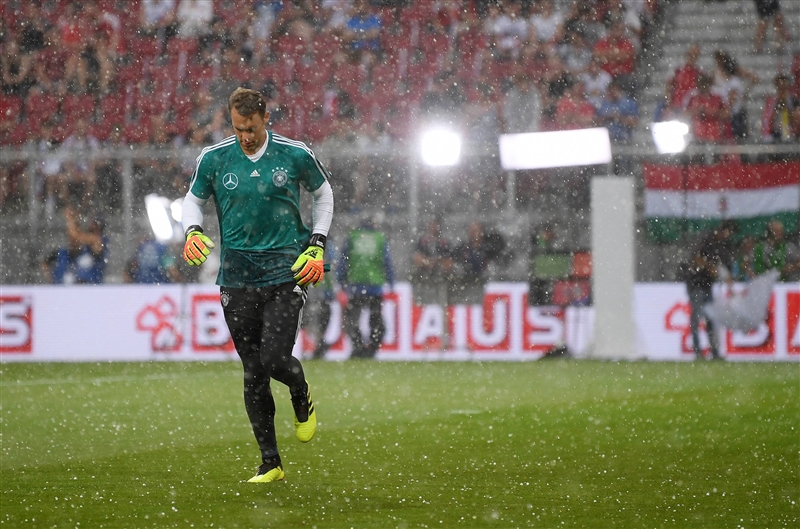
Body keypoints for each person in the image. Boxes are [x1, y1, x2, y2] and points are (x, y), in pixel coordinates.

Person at [180, 87, 334, 484]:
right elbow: (192, 201)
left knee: (275, 361)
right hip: (236, 277)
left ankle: (300, 391)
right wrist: (191, 230)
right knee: (253, 372)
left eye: (250, 128)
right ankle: (271, 463)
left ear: (266, 118)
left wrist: (316, 244)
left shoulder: (293, 153)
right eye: (237, 129)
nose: (244, 136)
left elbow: (323, 194)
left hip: (286, 272)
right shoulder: (214, 158)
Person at [337, 214, 395, 360]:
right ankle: (372, 349)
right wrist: (391, 282)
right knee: (376, 320)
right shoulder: (380, 238)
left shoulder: (353, 237)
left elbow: (343, 260)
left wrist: (341, 280)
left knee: (352, 319)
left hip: (356, 285)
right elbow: (387, 262)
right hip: (375, 285)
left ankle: (358, 347)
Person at [683, 221, 738, 360]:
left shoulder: (719, 245)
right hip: (696, 283)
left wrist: (727, 280)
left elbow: (722, 266)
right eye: (729, 233)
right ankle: (697, 351)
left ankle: (714, 351)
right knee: (697, 318)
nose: (729, 236)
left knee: (710, 319)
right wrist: (710, 268)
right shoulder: (707, 239)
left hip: (707, 284)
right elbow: (696, 258)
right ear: (724, 230)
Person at [42, 206, 108, 284]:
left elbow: (75, 236)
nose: (89, 225)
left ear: (97, 226)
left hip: (92, 287)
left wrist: (69, 218)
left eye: (92, 223)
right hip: (75, 288)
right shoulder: (71, 251)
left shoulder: (98, 240)